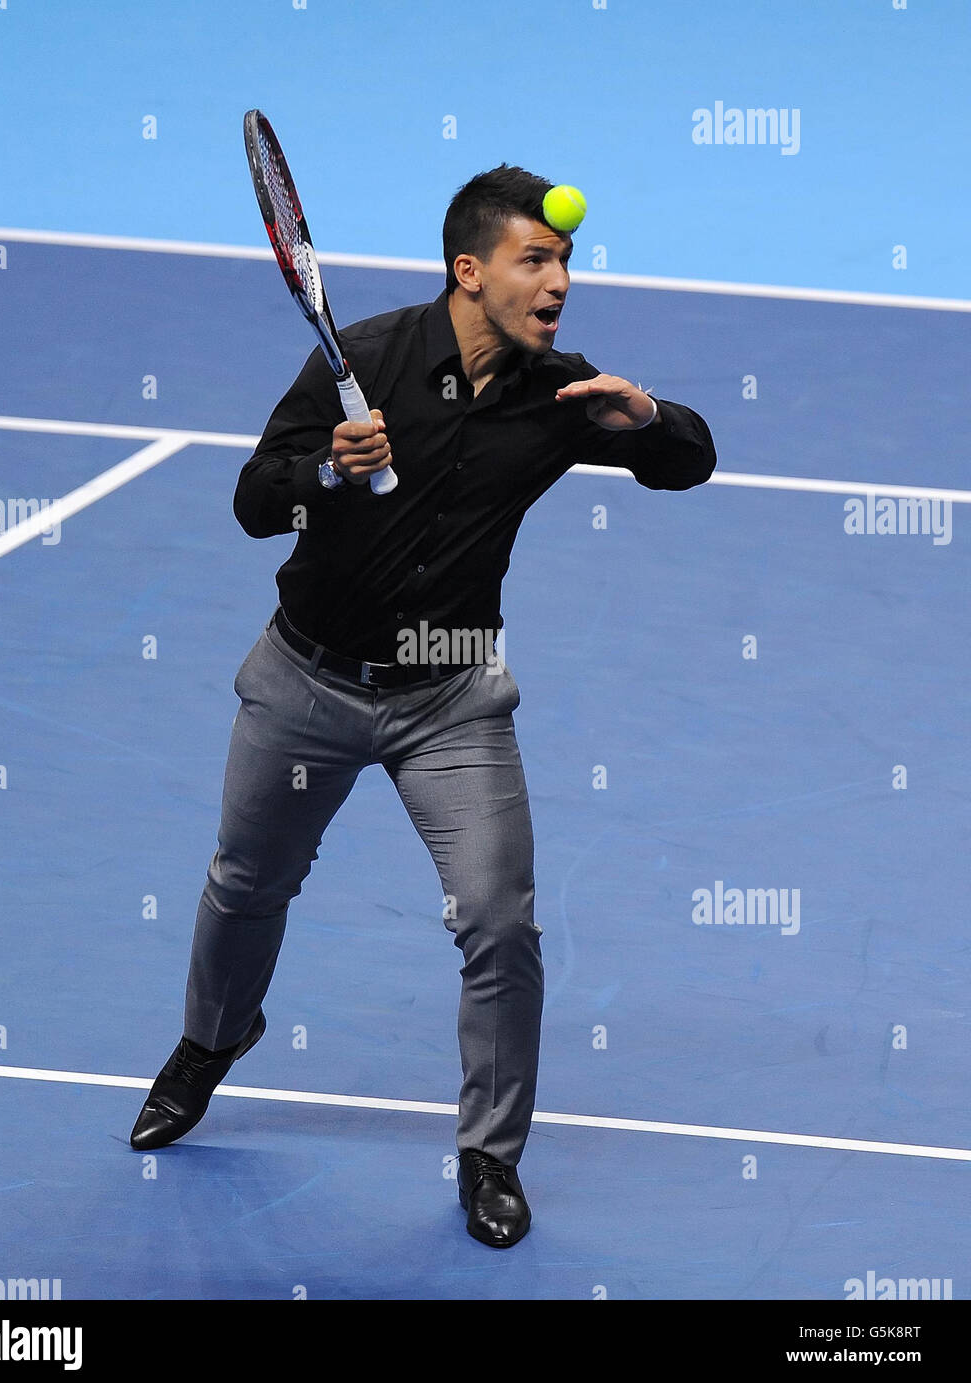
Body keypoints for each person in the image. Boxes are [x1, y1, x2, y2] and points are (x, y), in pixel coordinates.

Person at [130, 164, 716, 1248]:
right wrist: (330, 474)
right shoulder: (362, 359)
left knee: (499, 922)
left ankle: (489, 1153)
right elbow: (256, 501)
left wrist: (648, 420)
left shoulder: (559, 393)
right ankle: (210, 1042)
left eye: (565, 261)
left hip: (449, 699)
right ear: (469, 270)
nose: (559, 282)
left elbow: (690, 463)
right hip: (306, 680)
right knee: (244, 885)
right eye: (534, 260)